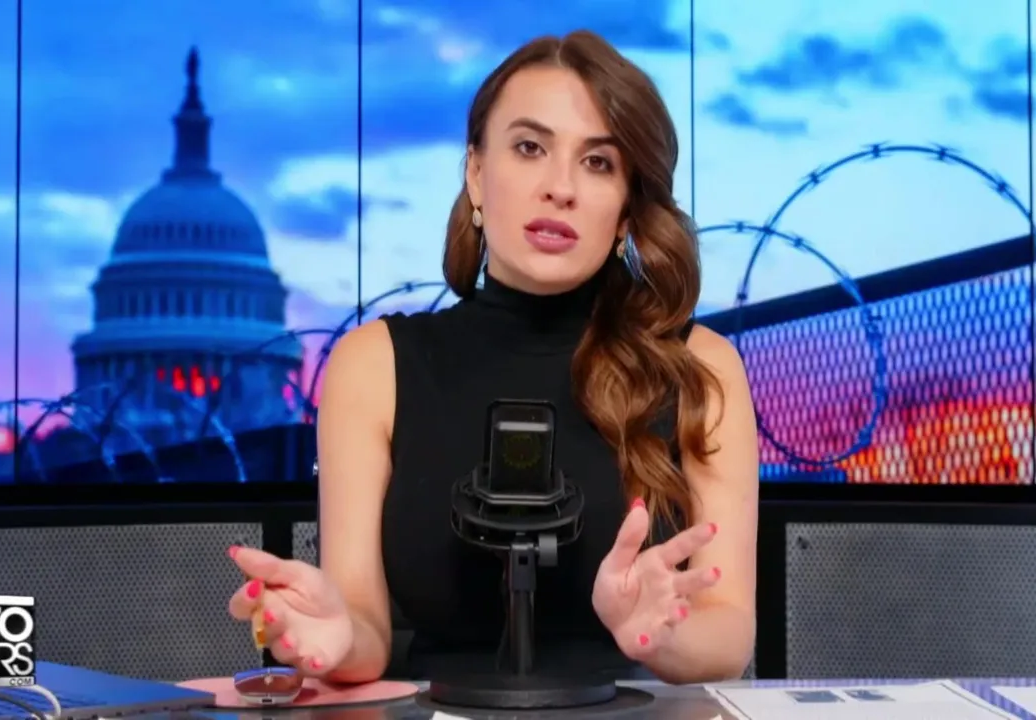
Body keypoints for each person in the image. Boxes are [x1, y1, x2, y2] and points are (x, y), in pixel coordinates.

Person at [227, 29, 758, 686]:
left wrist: (659, 634)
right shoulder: (374, 365)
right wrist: (336, 635)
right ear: (476, 174)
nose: (560, 187)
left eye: (598, 162)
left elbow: (728, 631)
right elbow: (364, 630)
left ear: (627, 211)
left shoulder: (702, 367)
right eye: (530, 148)